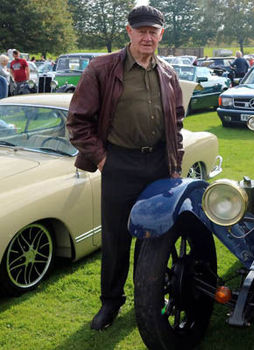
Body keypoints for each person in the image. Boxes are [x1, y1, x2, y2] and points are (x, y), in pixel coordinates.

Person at [66, 5, 185, 331]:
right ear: (129, 32)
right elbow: (77, 121)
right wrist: (104, 159)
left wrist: (174, 165)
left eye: (153, 31)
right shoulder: (103, 68)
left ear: (161, 34)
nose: (147, 37)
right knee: (117, 239)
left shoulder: (168, 73)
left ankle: (148, 298)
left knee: (155, 237)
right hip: (120, 162)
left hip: (158, 164)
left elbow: (176, 122)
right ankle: (110, 303)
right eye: (141, 30)